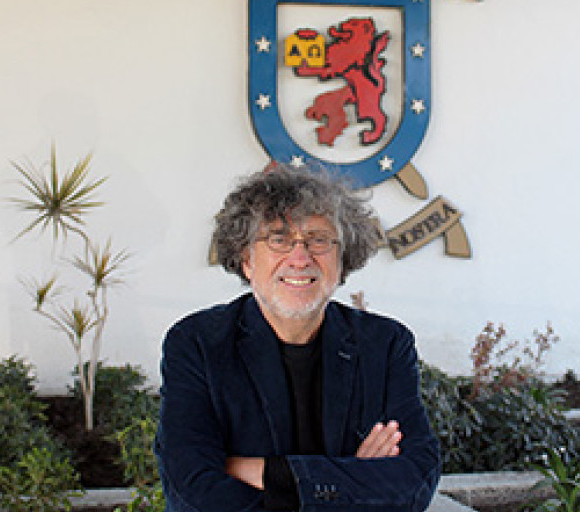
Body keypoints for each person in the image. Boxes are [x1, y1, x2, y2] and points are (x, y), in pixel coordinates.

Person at [155, 165, 441, 512]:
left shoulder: (385, 344)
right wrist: (352, 479)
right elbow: (191, 491)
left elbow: (415, 480)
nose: (300, 258)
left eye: (318, 239)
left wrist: (270, 474)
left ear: (342, 258)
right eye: (279, 239)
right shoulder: (197, 343)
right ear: (246, 260)